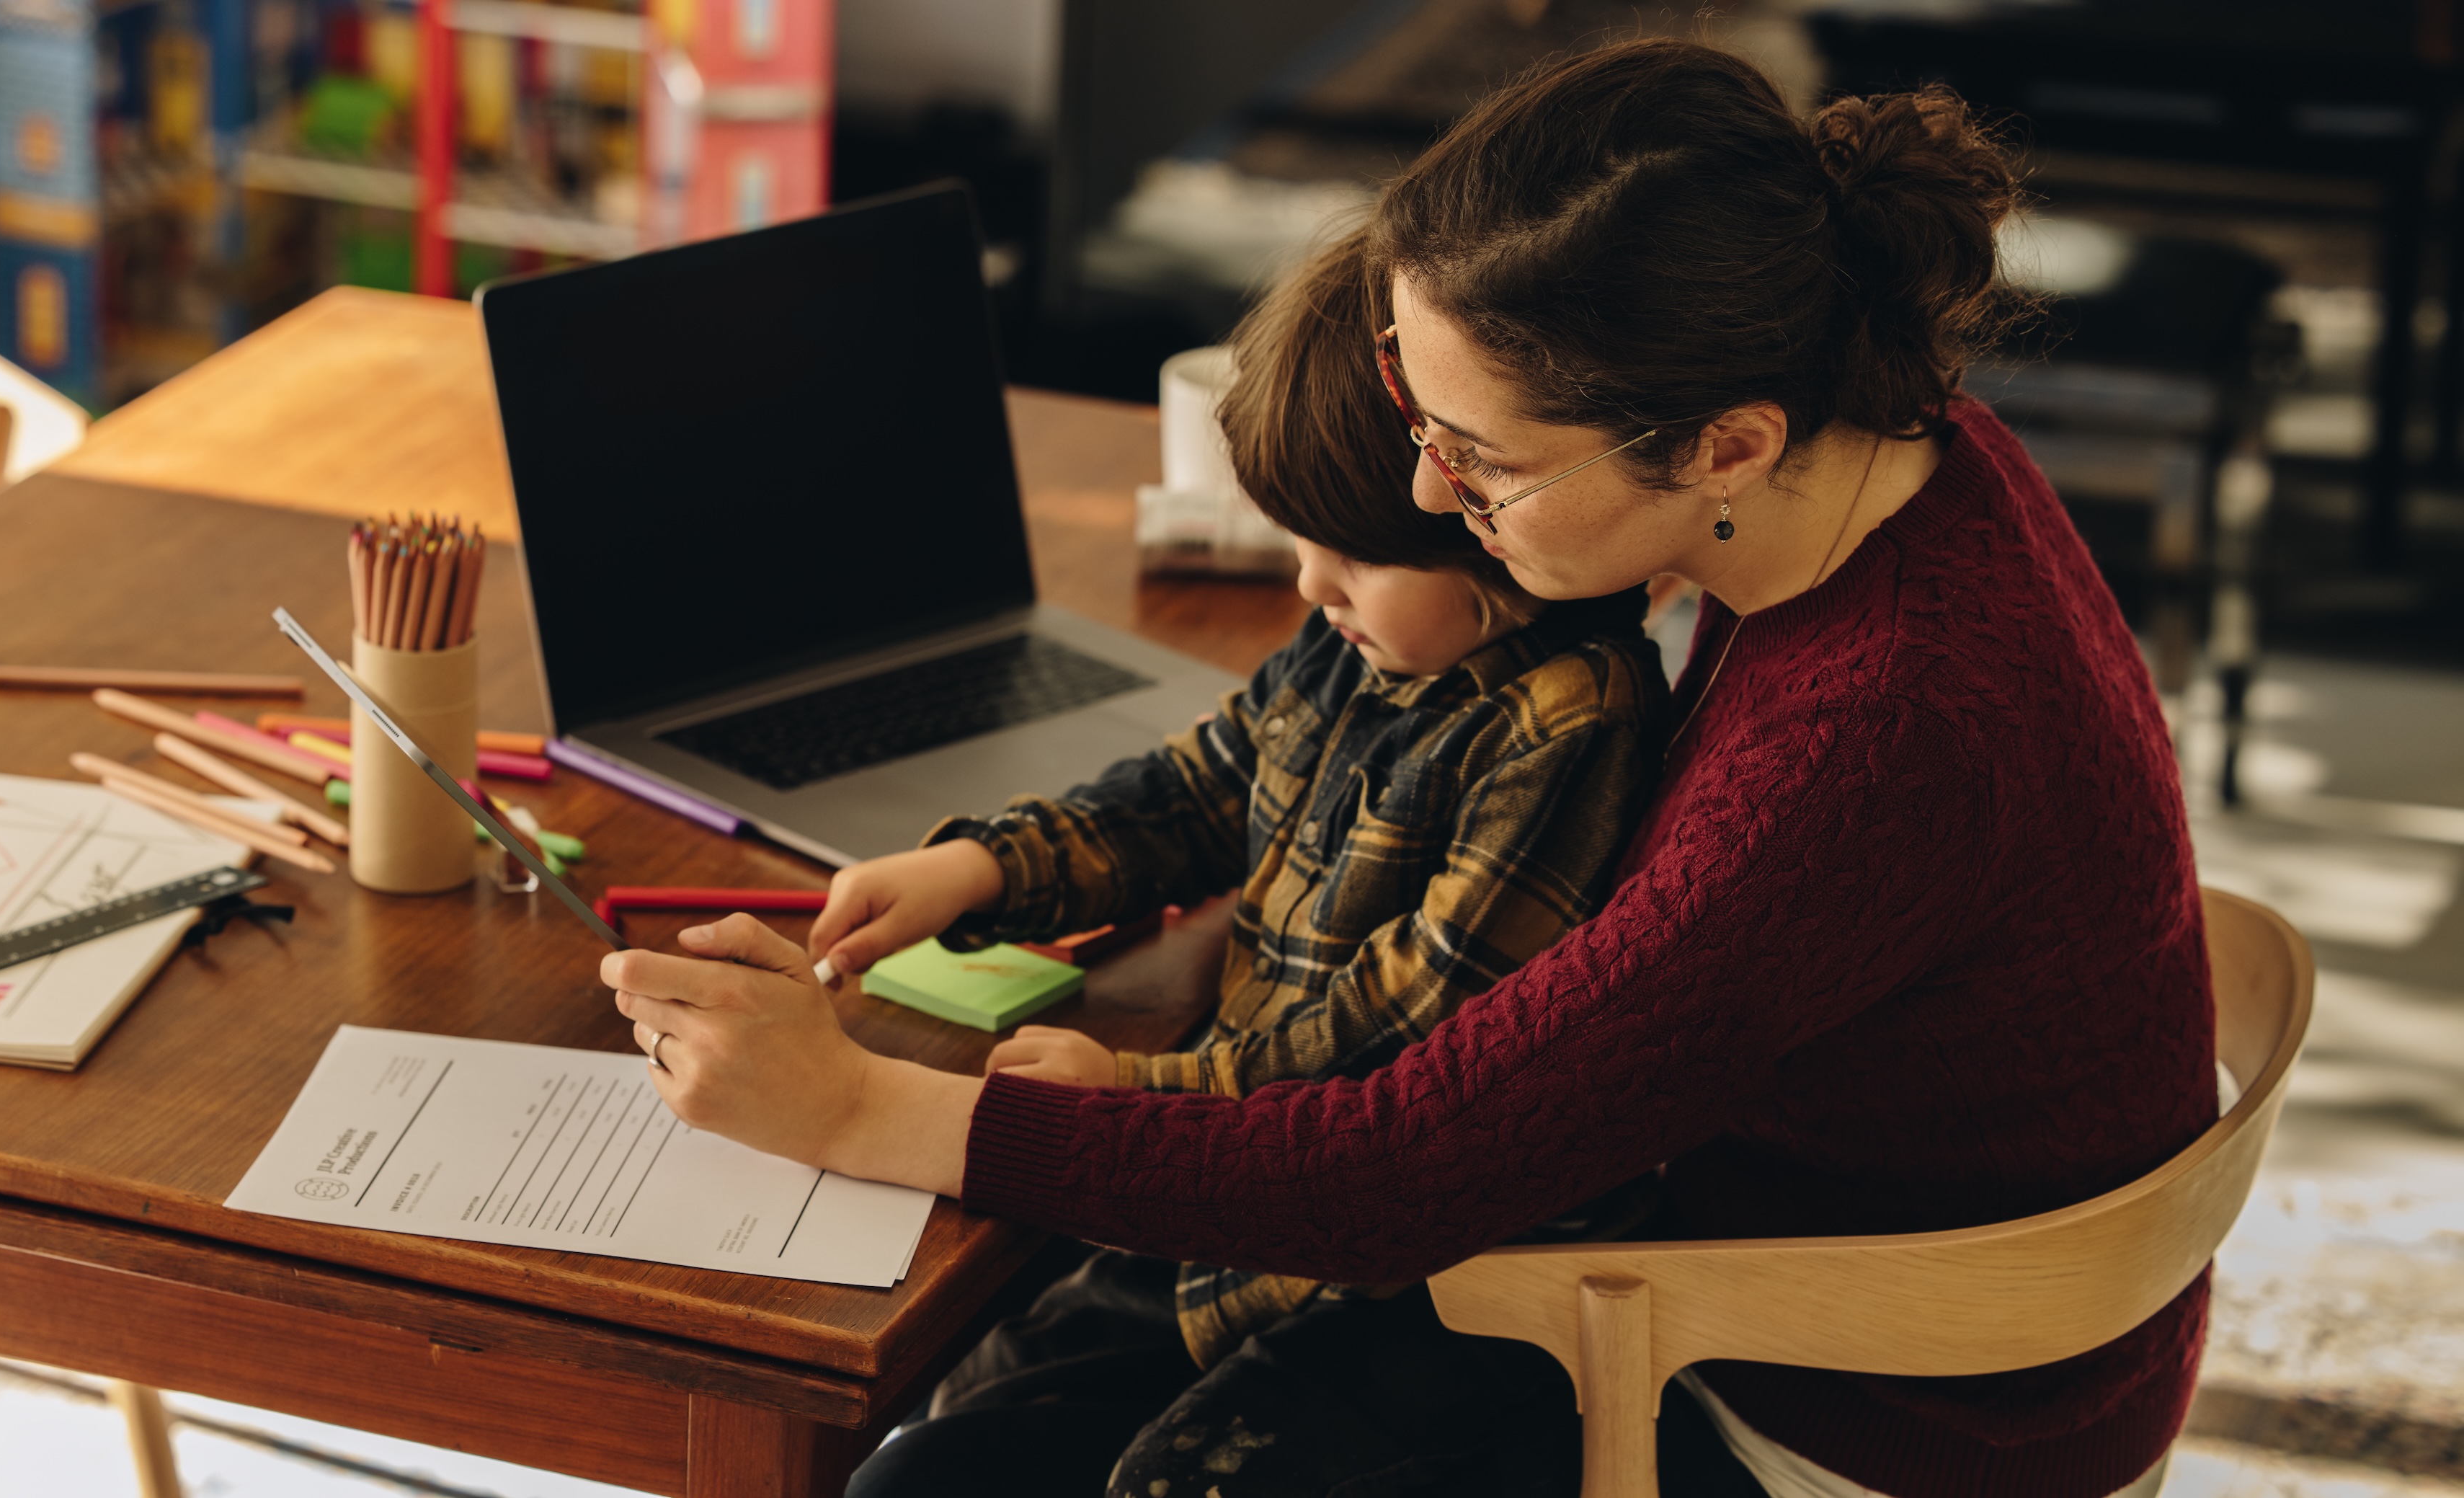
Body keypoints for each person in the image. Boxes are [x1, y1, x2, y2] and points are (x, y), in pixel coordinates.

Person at [606, 38, 2213, 1498]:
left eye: (1485, 459)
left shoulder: (1877, 739)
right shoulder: (1871, 443)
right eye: (1409, 399)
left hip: (1868, 1398)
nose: (1428, 497)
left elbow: (1394, 1171)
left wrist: (858, 1105)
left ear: (1725, 443)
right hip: (1773, 1224)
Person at [814, 226, 1671, 1447]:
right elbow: (1201, 788)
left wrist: (1138, 1089)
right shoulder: (1361, 638)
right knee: (941, 1441)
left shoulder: (1574, 721)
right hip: (1221, 1201)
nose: (1311, 587)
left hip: (1382, 1270)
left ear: (1478, 517)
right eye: (1299, 542)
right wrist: (984, 865)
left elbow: (1406, 1025)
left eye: (1353, 555)